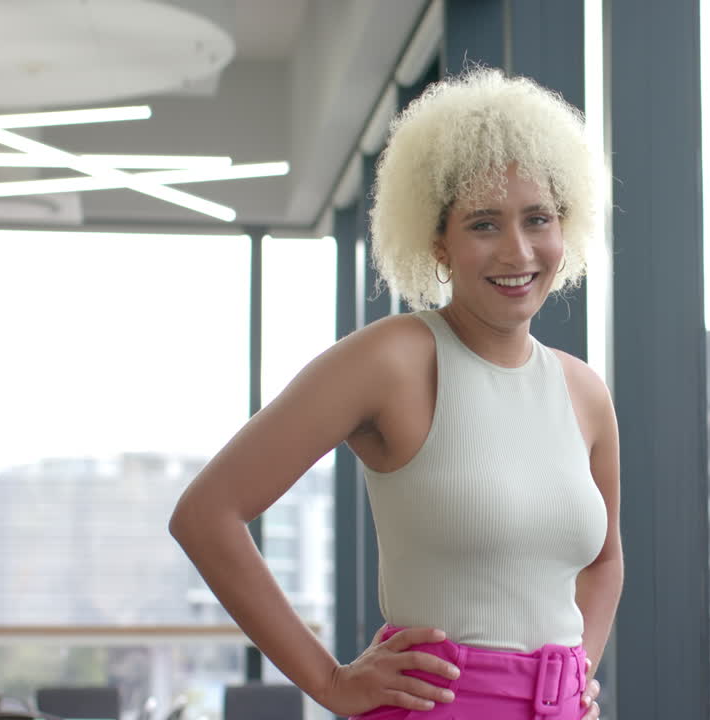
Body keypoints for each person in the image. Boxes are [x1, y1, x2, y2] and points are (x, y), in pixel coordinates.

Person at [170, 67, 622, 720]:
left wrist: (573, 674)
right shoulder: (392, 360)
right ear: (438, 242)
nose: (518, 250)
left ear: (565, 227)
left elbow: (604, 562)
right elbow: (207, 514)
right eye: (484, 224)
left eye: (538, 218)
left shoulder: (584, 392)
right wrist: (328, 682)